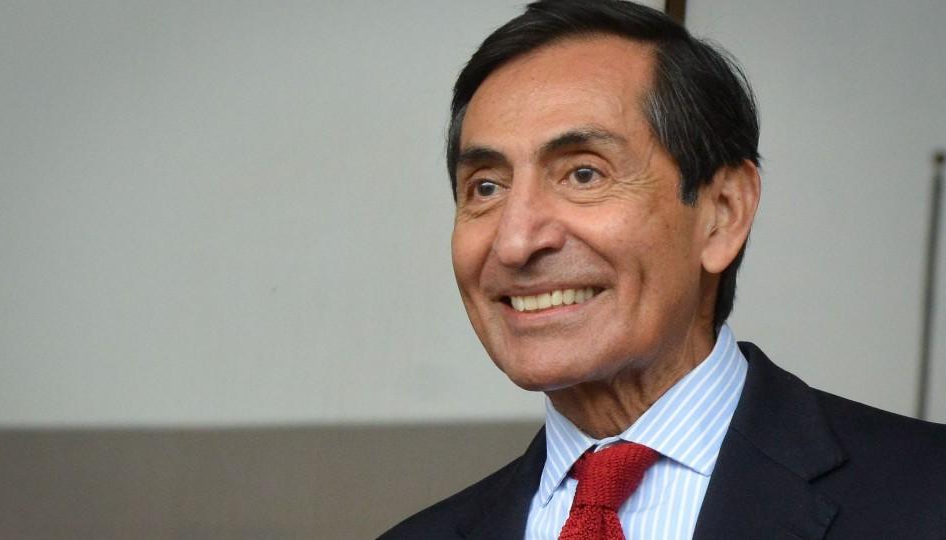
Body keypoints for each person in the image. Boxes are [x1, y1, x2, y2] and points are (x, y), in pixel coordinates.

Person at [381, 1, 946, 538]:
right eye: (486, 187)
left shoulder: (926, 494)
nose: (515, 241)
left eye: (583, 174)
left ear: (722, 213)